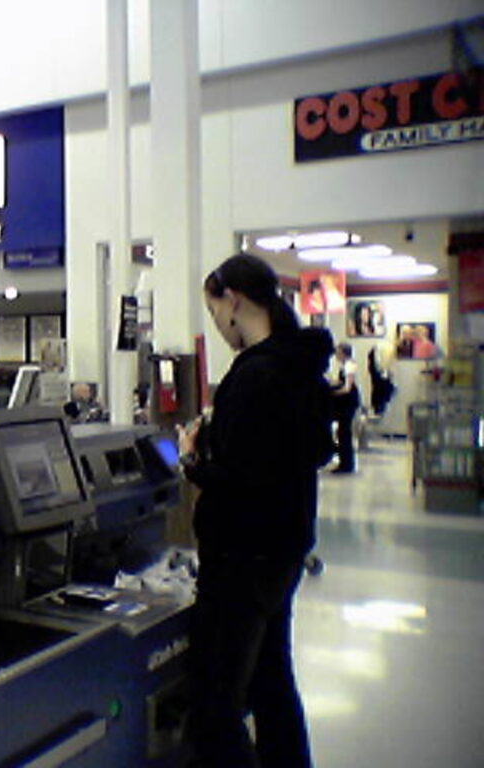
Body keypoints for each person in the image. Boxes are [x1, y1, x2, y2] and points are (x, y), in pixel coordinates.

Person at [177, 253, 333, 768]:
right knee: (271, 683)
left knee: (217, 707)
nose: (218, 326)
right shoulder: (299, 365)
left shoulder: (255, 375)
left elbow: (242, 481)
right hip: (284, 551)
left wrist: (192, 460)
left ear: (234, 301)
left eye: (215, 312)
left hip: (241, 560)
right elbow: (302, 454)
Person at [330, 343, 359, 474]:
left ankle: (346, 465)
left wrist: (332, 392)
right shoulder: (347, 365)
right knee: (343, 432)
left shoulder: (348, 366)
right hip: (348, 402)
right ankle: (345, 463)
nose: (336, 354)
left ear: (343, 353)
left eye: (338, 352)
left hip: (348, 402)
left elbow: (347, 388)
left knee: (344, 433)